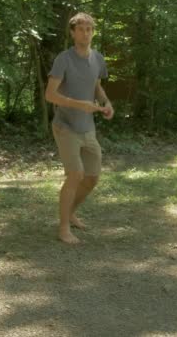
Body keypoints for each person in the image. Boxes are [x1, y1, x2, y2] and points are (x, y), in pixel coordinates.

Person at [45, 12, 113, 244]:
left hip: (88, 128)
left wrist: (106, 103)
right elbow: (50, 94)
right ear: (73, 32)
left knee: (92, 177)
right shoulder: (63, 59)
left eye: (89, 29)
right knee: (75, 174)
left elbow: (96, 86)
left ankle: (70, 212)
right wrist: (79, 104)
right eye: (81, 29)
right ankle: (63, 229)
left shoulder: (98, 58)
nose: (86, 33)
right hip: (65, 126)